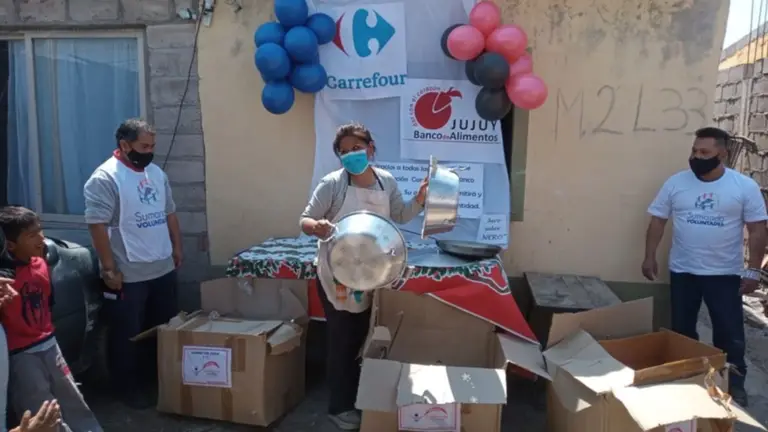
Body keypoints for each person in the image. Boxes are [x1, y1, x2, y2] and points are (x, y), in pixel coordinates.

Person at [299, 123, 428, 430]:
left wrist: (420, 199)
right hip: (339, 275)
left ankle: (361, 398)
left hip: (372, 273)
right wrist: (316, 226)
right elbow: (305, 219)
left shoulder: (386, 181)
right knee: (342, 340)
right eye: (343, 152)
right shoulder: (332, 184)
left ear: (370, 148)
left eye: (356, 148)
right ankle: (339, 407)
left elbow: (399, 215)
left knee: (364, 338)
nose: (350, 155)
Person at [642, 126, 768, 407]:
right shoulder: (676, 183)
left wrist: (753, 270)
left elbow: (757, 230)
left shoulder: (743, 187)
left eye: (704, 152)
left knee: (729, 334)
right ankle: (687, 379)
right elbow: (658, 220)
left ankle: (733, 383)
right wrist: (649, 256)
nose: (697, 157)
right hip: (683, 271)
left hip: (724, 274)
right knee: (682, 330)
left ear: (722, 154)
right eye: (694, 151)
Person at [83, 119, 182, 409]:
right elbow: (97, 225)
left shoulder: (156, 173)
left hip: (162, 265)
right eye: (144, 146)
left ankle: (154, 380)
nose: (149, 152)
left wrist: (177, 247)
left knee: (160, 327)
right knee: (127, 333)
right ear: (125, 145)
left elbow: (169, 213)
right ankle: (126, 387)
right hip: (128, 272)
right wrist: (109, 268)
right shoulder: (105, 178)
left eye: (152, 146)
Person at [0, 206, 101, 431]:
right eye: (31, 235)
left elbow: (48, 301)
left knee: (72, 397)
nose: (41, 238)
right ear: (10, 245)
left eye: (40, 230)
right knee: (41, 408)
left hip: (49, 344)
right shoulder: (5, 278)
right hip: (21, 354)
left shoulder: (40, 263)